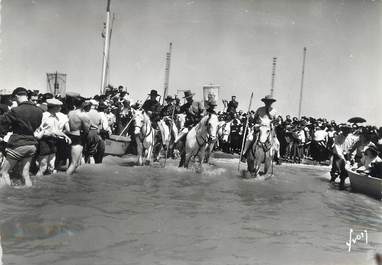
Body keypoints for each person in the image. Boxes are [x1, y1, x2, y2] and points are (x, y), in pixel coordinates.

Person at [0, 87, 43, 187]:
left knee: (4, 172)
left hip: (18, 144)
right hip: (32, 145)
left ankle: (7, 197)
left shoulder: (16, 111)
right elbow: (36, 126)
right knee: (25, 174)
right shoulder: (39, 111)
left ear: (16, 96)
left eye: (14, 99)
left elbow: (2, 121)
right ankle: (29, 197)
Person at [34, 98, 71, 176]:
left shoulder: (56, 117)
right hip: (44, 142)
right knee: (43, 167)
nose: (60, 108)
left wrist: (65, 136)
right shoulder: (44, 116)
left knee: (51, 167)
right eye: (59, 107)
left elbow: (56, 130)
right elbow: (37, 131)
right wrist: (48, 133)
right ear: (54, 107)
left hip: (53, 142)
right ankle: (37, 184)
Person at [241, 95, 277, 160]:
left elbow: (275, 120)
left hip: (268, 128)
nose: (268, 103)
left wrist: (273, 123)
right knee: (249, 138)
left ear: (272, 102)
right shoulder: (260, 109)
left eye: (270, 102)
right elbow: (254, 119)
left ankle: (276, 157)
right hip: (259, 126)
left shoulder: (274, 111)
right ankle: (244, 154)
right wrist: (249, 117)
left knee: (276, 142)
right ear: (264, 102)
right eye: (267, 101)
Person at [66, 99, 90, 175]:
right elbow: (86, 130)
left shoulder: (70, 112)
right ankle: (65, 183)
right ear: (83, 105)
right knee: (74, 164)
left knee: (71, 162)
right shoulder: (84, 115)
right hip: (78, 137)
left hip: (69, 135)